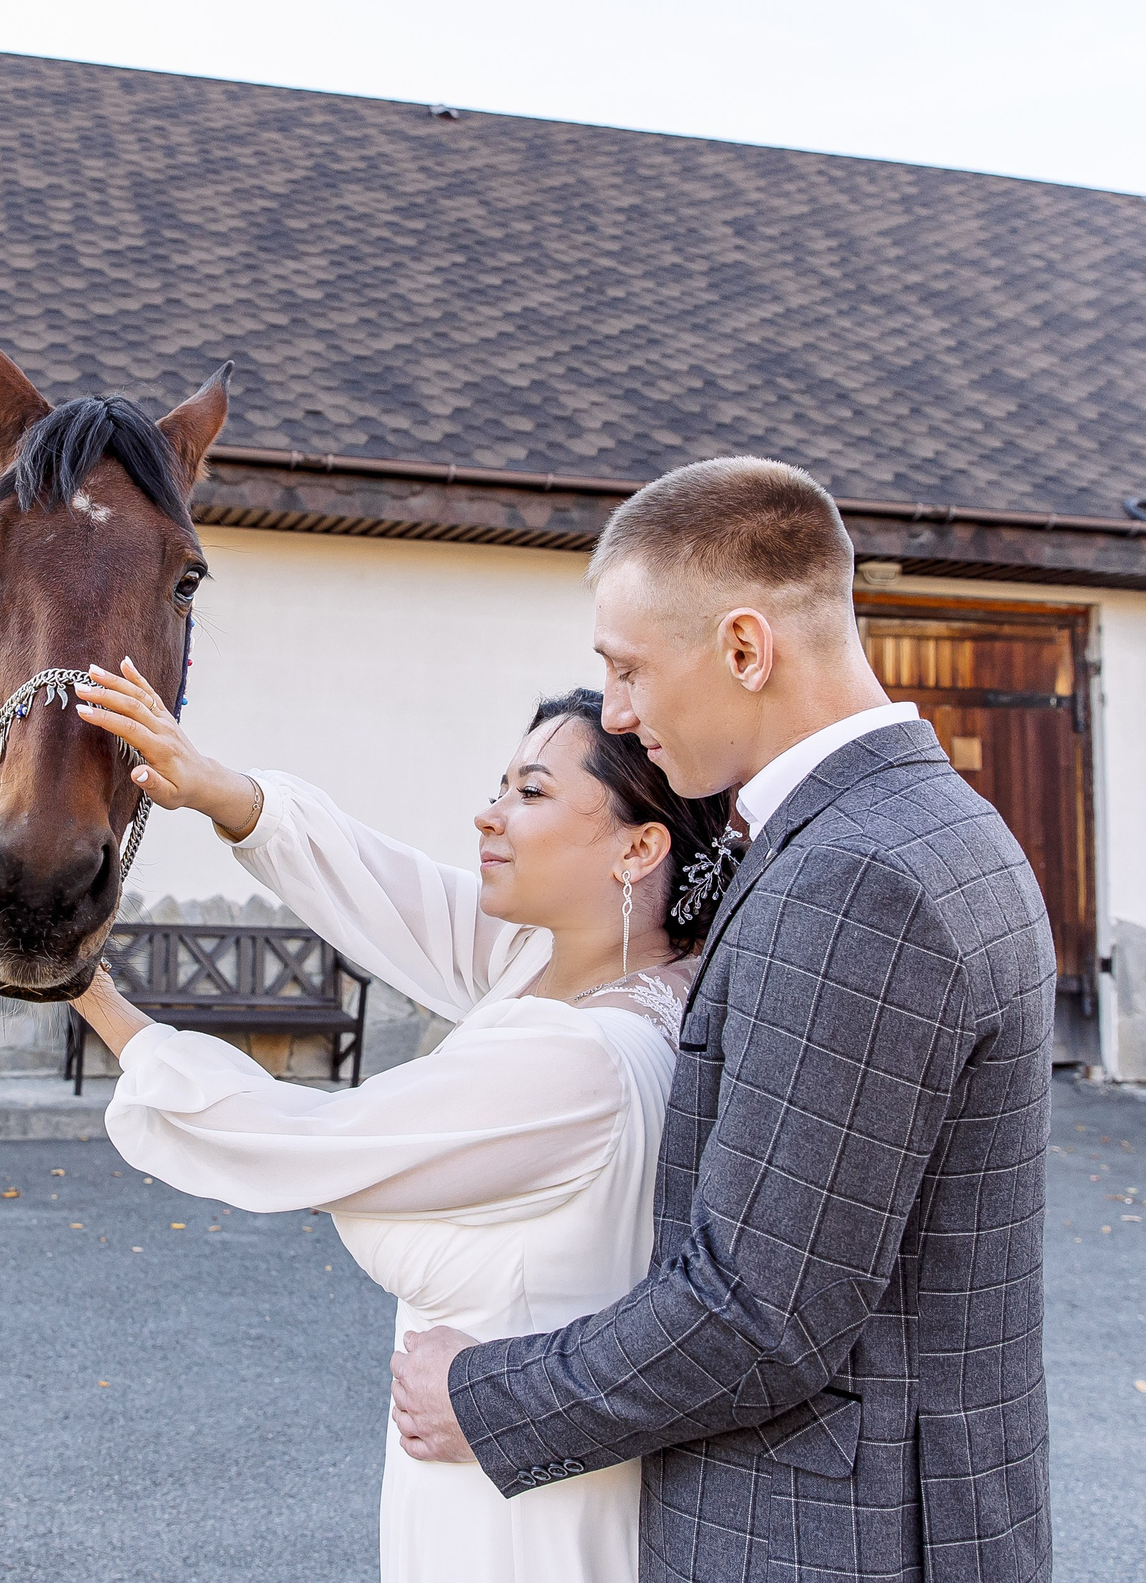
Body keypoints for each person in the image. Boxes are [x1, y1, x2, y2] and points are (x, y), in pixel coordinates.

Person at [386, 456, 1057, 1583]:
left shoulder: (858, 878)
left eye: (629, 669)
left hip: (824, 1542)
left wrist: (488, 1395)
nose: (619, 712)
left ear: (746, 648)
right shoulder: (915, 826)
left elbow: (761, 1315)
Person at [66, 666, 738, 1583]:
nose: (489, 814)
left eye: (531, 792)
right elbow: (387, 885)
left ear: (637, 849)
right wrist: (215, 787)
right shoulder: (626, 977)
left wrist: (92, 996)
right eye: (498, 786)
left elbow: (308, 1144)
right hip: (532, 1464)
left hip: (511, 1502)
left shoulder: (574, 1058)